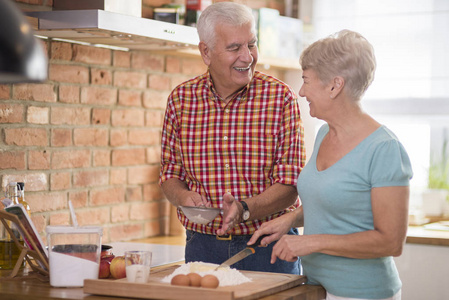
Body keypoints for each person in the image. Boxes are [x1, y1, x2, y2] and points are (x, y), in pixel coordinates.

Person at [248, 30, 413, 299]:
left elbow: (390, 241)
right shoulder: (325, 133)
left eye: (306, 81)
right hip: (315, 286)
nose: (301, 92)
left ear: (335, 86)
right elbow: (333, 199)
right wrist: (291, 218)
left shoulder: (384, 149)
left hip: (362, 293)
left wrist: (310, 242)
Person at [159, 2, 305, 274]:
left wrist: (244, 209)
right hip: (201, 246)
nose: (247, 57)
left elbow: (290, 184)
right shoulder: (180, 100)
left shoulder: (280, 98)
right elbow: (170, 174)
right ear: (206, 51)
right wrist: (183, 196)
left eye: (251, 44)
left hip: (268, 246)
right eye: (234, 47)